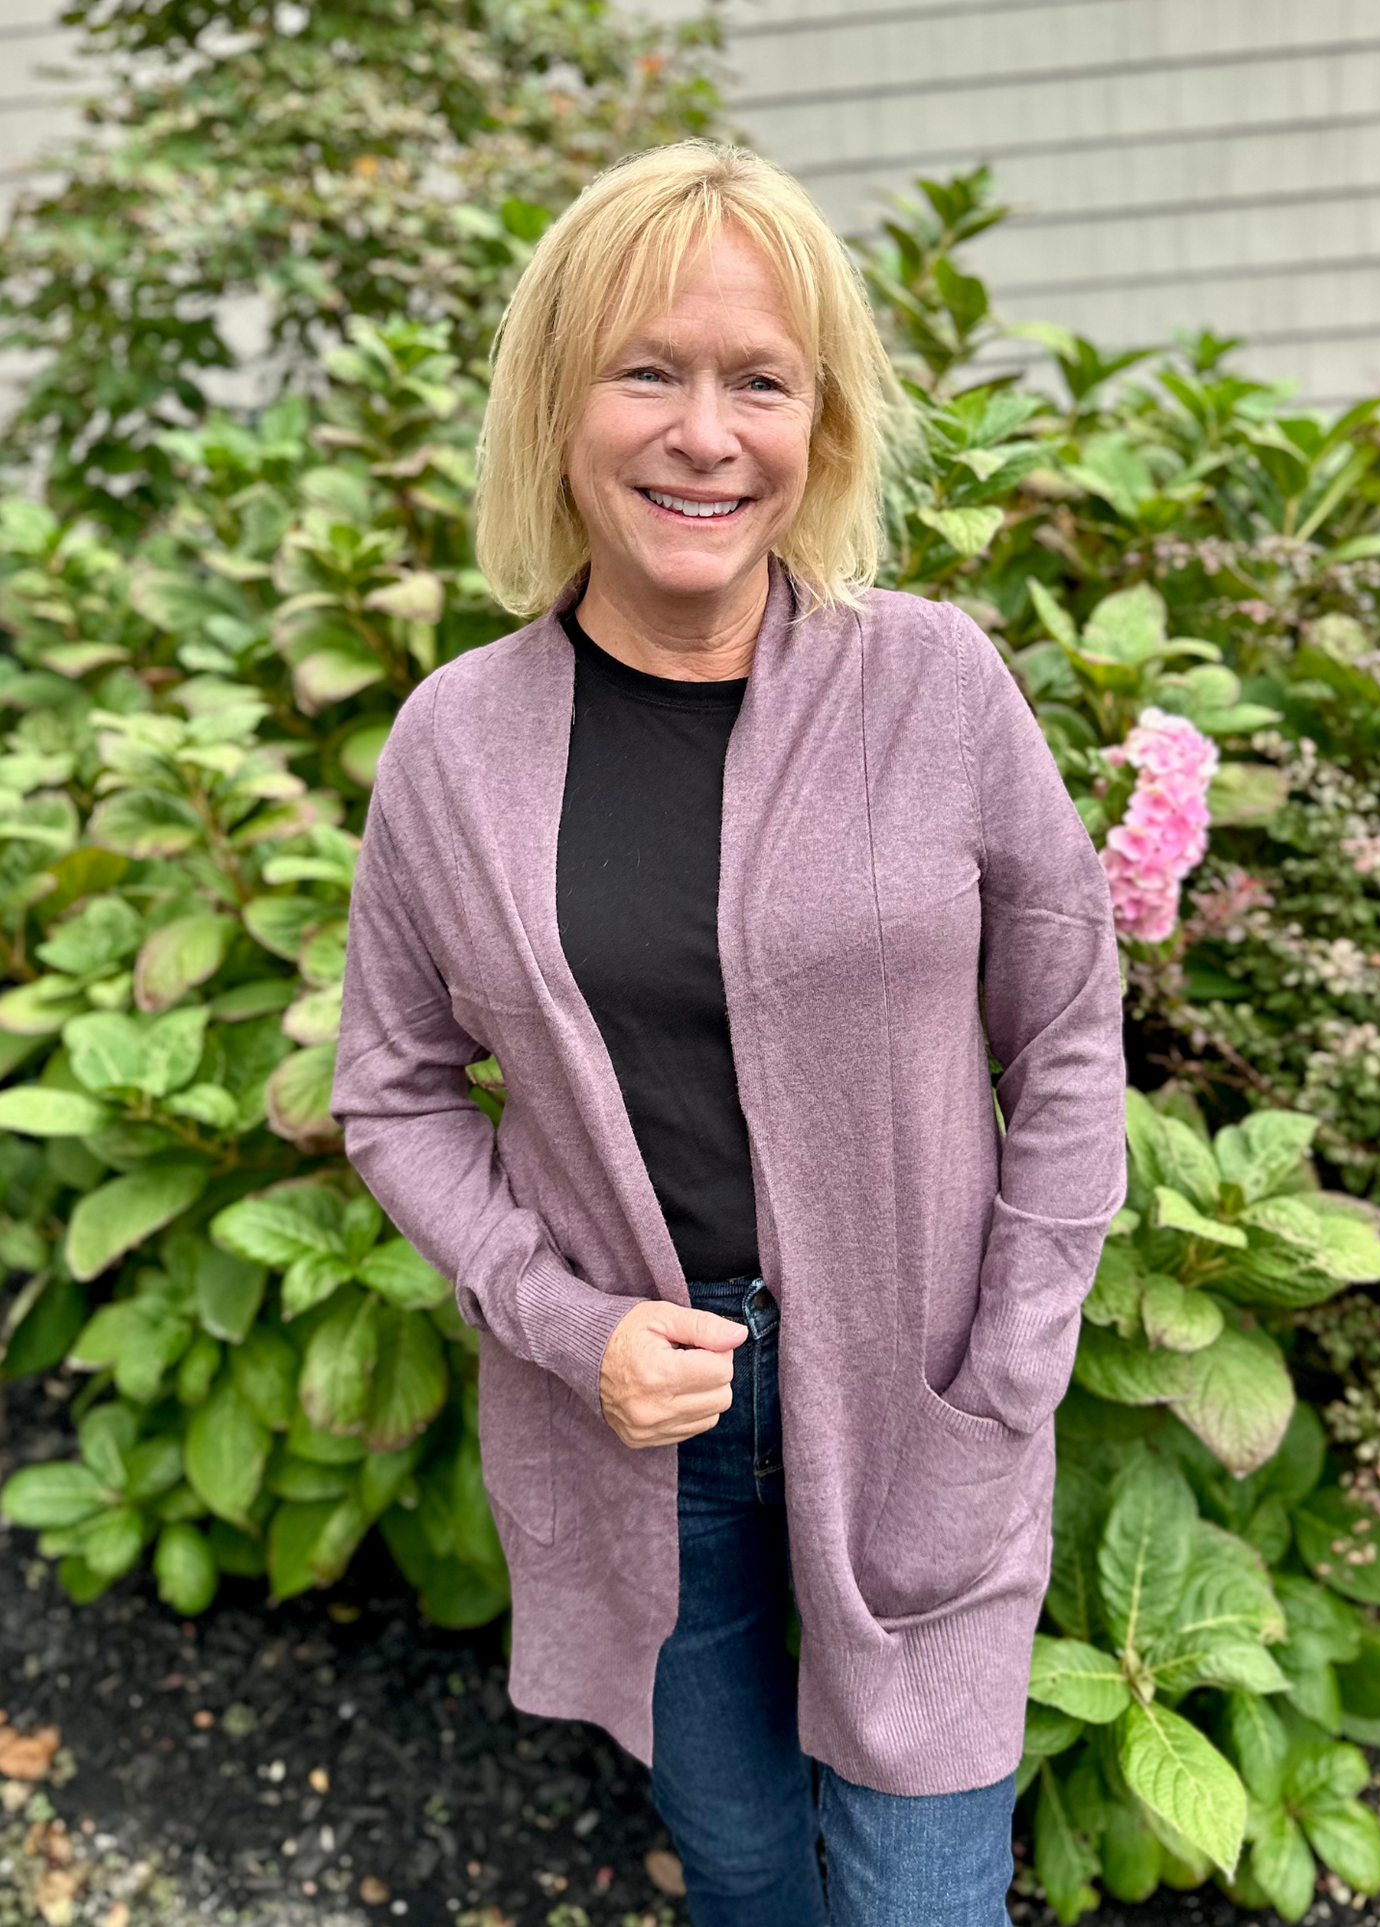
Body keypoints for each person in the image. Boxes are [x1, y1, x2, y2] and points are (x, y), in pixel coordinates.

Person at [332, 139, 1127, 1927]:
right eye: (648, 371)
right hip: (638, 1436)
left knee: (920, 1896)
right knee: (752, 1873)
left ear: (820, 424)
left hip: (920, 1407)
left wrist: (1007, 1375)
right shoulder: (457, 746)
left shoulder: (932, 684)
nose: (706, 434)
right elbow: (391, 1088)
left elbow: (1070, 1025)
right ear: (558, 406)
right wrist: (562, 1320)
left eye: (760, 381)